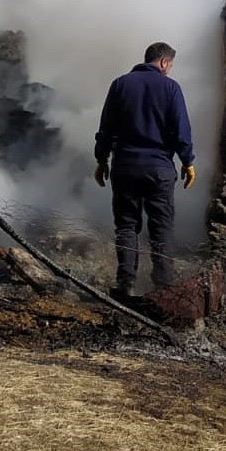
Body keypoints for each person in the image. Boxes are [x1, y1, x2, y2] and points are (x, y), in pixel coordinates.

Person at [93, 41, 196, 300]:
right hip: (159, 170)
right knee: (161, 228)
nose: (170, 70)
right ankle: (164, 288)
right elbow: (181, 129)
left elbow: (106, 127)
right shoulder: (171, 88)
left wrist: (101, 159)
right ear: (163, 62)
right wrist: (188, 161)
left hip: (124, 168)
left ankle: (126, 285)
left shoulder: (120, 84)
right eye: (170, 65)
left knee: (127, 227)